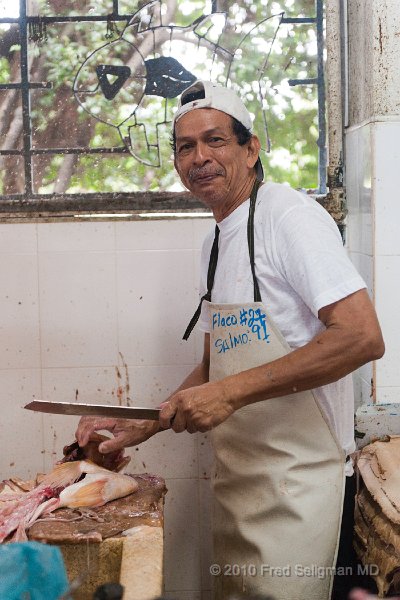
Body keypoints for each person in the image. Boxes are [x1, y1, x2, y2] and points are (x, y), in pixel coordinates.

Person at [76, 81, 384, 600]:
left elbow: (361, 337)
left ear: (251, 148)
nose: (199, 157)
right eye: (185, 146)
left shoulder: (290, 217)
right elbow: (214, 367)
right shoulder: (213, 243)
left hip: (300, 487)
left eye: (215, 140)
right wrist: (141, 424)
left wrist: (230, 393)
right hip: (239, 487)